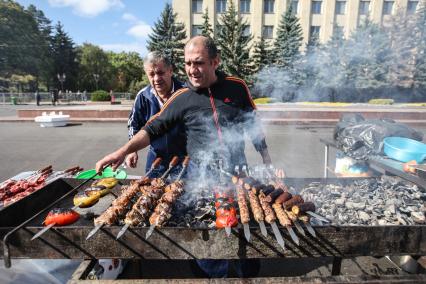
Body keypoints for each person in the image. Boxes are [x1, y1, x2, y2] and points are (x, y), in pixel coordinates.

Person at [95, 36, 270, 277]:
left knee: (243, 225)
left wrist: (266, 157)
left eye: (198, 63)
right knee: (204, 232)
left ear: (215, 61)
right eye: (188, 63)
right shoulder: (182, 96)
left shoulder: (236, 86)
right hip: (202, 175)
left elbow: (253, 123)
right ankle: (210, 277)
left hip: (237, 170)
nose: (191, 70)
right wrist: (123, 150)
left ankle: (246, 273)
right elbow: (153, 127)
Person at [126, 51, 186, 176]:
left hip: (184, 162)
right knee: (151, 193)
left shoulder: (186, 93)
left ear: (170, 71)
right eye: (151, 74)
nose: (156, 79)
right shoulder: (143, 96)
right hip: (155, 161)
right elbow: (133, 124)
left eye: (160, 73)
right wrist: (132, 150)